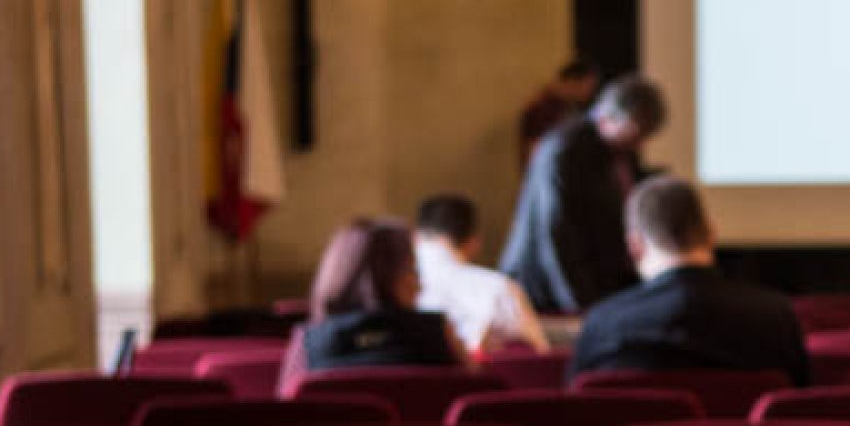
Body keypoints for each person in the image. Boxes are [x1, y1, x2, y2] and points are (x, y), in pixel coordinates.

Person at [569, 175, 810, 385]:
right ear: (711, 234)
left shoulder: (603, 324)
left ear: (635, 247)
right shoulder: (777, 319)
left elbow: (579, 410)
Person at [500, 73, 668, 313]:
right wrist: (580, 305)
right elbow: (556, 233)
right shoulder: (565, 150)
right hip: (548, 292)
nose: (640, 145)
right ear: (609, 119)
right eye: (636, 134)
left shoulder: (618, 149)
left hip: (592, 288)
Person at [278, 217, 466, 393]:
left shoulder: (307, 343)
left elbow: (288, 406)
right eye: (413, 270)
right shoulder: (438, 333)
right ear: (390, 276)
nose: (420, 286)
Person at [413, 193, 549, 355]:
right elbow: (539, 354)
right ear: (474, 242)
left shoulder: (394, 290)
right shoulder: (499, 288)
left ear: (415, 238)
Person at [518, 58, 600, 166]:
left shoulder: (567, 106)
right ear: (574, 81)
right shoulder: (544, 108)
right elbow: (533, 155)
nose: (590, 92)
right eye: (589, 85)